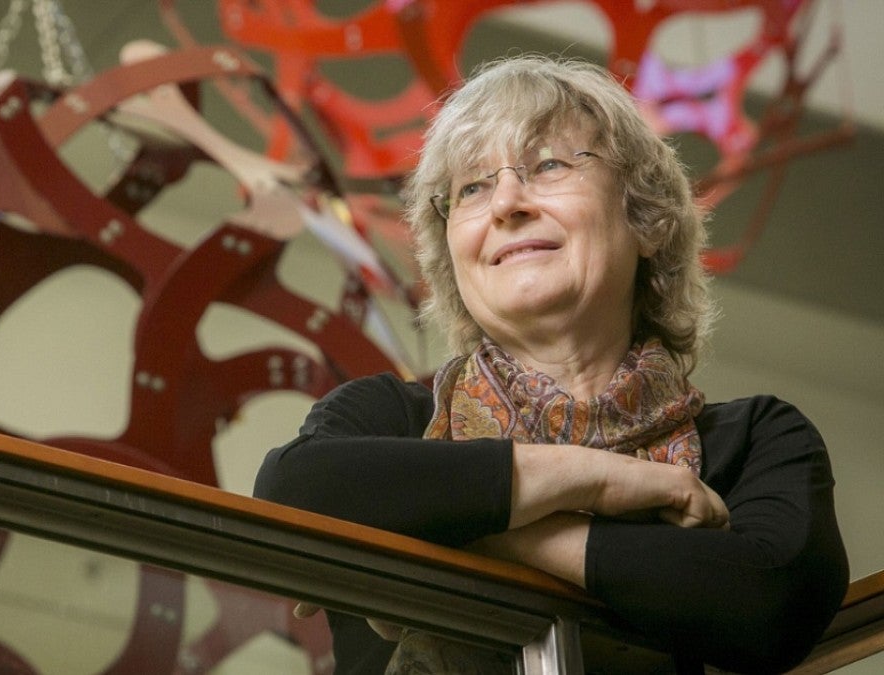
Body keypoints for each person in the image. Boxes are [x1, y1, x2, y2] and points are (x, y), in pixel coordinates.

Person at [253, 54, 848, 674]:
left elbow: (768, 605)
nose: (507, 202)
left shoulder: (755, 441)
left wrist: (494, 535)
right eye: (473, 187)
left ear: (644, 220)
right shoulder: (387, 416)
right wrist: (600, 481)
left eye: (549, 165)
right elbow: (290, 493)